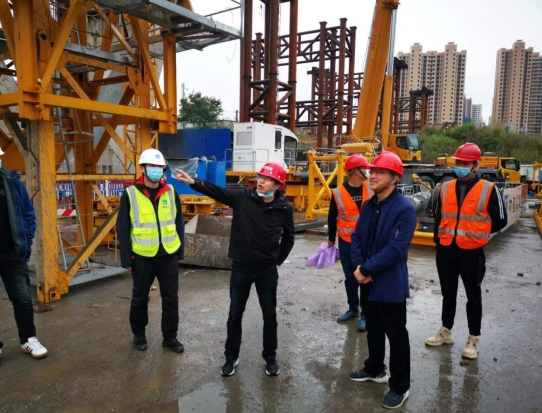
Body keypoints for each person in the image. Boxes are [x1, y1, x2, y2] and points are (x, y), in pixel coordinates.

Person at [174, 162, 295, 377]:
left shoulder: (284, 208)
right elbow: (217, 191)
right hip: (241, 267)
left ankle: (270, 358)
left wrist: (277, 261)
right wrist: (194, 182)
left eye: (267, 179)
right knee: (234, 315)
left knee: (269, 316)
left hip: (266, 270)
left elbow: (289, 237)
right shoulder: (242, 198)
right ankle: (231, 357)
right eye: (260, 177)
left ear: (277, 185)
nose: (261, 181)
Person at [425, 142, 507, 360]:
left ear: (476, 165)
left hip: (471, 251)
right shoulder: (444, 188)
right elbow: (438, 217)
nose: (460, 166)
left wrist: (477, 234)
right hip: (446, 249)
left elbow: (500, 220)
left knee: (473, 296)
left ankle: (473, 339)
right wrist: (438, 243)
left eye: (465, 163)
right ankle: (446, 331)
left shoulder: (489, 189)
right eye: (458, 162)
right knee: (448, 293)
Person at [349, 151, 417, 410]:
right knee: (374, 328)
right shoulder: (369, 205)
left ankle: (400, 386)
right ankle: (375, 368)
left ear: (394, 178)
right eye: (372, 171)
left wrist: (366, 269)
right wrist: (358, 266)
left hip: (390, 284)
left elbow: (395, 249)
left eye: (379, 172)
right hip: (367, 281)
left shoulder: (404, 209)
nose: (373, 175)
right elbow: (357, 236)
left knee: (396, 334)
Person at [117, 148, 185, 353]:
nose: (156, 170)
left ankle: (170, 337)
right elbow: (123, 227)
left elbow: (178, 222)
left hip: (168, 254)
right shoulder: (130, 194)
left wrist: (180, 251)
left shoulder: (171, 192)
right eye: (152, 166)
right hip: (142, 256)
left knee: (171, 298)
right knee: (140, 298)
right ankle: (139, 335)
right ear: (143, 168)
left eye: (159, 166)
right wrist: (126, 258)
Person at [0, 146, 47, 360]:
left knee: (22, 299)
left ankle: (28, 339)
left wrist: (26, 239)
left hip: (12, 252)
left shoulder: (12, 181)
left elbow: (28, 212)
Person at [328, 154, 373, 330]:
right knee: (350, 277)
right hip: (346, 242)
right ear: (355, 171)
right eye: (365, 168)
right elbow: (332, 217)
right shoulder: (338, 193)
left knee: (366, 277)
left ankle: (366, 314)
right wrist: (331, 240)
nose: (368, 171)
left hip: (367, 242)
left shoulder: (370, 188)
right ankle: (353, 309)